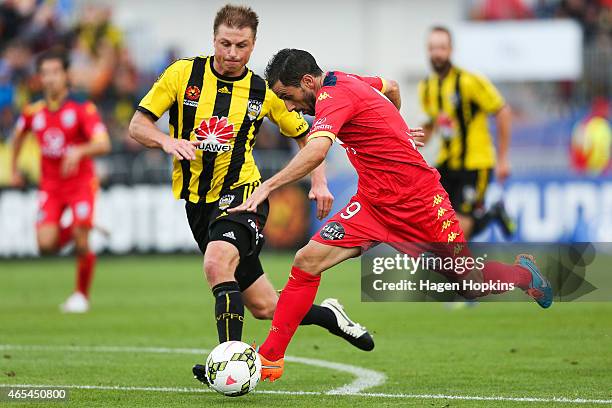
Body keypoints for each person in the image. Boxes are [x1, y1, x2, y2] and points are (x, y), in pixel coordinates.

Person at [230, 48, 553, 382]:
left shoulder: (333, 94)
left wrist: (269, 186)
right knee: (307, 260)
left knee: (469, 285)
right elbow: (393, 86)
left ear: (309, 82)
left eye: (288, 96)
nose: (289, 106)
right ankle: (269, 358)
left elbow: (316, 149)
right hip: (372, 205)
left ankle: (523, 275)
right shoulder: (348, 79)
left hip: (420, 206)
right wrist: (394, 127)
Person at [127, 5, 374, 385]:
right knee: (264, 306)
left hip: (244, 195)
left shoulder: (262, 90)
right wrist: (165, 140)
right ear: (213, 40)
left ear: (253, 45)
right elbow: (138, 124)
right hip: (198, 202)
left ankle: (229, 366)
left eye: (241, 45)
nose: (231, 53)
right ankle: (329, 315)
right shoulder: (182, 74)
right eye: (225, 43)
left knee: (216, 264)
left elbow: (306, 135)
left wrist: (320, 181)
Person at [11, 48, 111, 313]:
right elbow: (18, 137)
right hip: (51, 187)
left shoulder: (82, 108)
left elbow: (103, 143)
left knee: (80, 240)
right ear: (39, 78)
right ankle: (84, 224)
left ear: (66, 75)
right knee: (46, 245)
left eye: (56, 72)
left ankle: (81, 295)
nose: (51, 78)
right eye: (45, 73)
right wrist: (14, 170)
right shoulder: (33, 111)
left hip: (80, 183)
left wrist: (80, 150)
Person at [418, 26, 515, 240]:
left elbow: (503, 111)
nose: (437, 53)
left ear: (451, 50)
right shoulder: (426, 87)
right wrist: (409, 146)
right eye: (433, 48)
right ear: (428, 50)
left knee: (461, 228)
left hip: (476, 163)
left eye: (442, 47)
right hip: (446, 162)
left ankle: (454, 267)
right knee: (432, 218)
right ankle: (491, 213)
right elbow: (432, 124)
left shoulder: (469, 81)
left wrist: (503, 159)